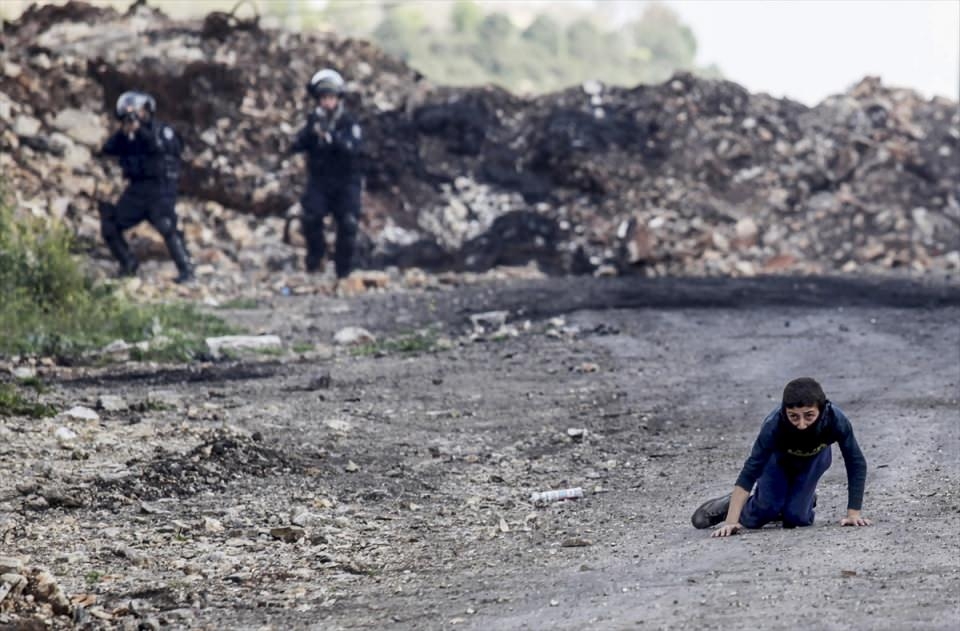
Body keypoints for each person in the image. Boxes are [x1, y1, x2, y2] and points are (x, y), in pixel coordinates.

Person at [691, 377, 870, 537]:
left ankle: (796, 499)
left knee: (797, 519)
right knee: (758, 518)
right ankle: (734, 503)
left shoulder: (836, 420)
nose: (801, 425)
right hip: (776, 461)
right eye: (794, 417)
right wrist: (731, 521)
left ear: (822, 409)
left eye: (809, 416)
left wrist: (853, 513)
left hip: (813, 461)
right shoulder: (773, 425)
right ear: (785, 411)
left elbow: (856, 463)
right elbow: (751, 470)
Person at [99, 91, 194, 283]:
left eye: (138, 112)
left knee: (167, 226)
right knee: (110, 224)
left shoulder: (161, 130)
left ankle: (187, 270)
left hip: (160, 189)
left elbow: (160, 148)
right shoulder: (127, 135)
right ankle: (128, 264)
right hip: (137, 190)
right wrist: (124, 133)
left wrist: (140, 130)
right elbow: (107, 149)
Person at [288, 68, 363, 280]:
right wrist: (308, 136)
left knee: (348, 223)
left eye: (331, 98)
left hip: (346, 181)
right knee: (311, 217)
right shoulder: (313, 121)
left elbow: (354, 149)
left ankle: (343, 271)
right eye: (323, 98)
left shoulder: (348, 122)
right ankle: (315, 261)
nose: (327, 103)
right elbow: (297, 145)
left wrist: (332, 138)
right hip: (320, 180)